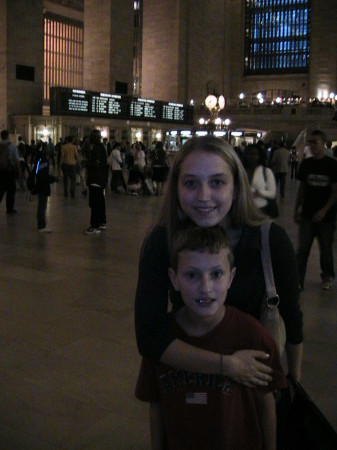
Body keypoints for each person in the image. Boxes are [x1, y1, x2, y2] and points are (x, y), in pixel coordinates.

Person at [135, 135, 303, 390]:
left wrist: (294, 384)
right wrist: (227, 365)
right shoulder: (163, 240)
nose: (204, 196)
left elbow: (291, 317)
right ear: (177, 187)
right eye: (191, 182)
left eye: (217, 182)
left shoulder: (271, 240)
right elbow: (149, 336)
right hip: (191, 378)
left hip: (256, 384)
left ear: (235, 187)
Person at [135, 225, 287, 450]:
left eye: (216, 274)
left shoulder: (254, 337)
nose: (205, 288)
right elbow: (156, 403)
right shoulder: (162, 340)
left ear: (231, 277)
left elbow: (266, 402)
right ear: (174, 279)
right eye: (192, 275)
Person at [294, 130, 337, 291]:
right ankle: (298, 280)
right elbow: (301, 188)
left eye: (315, 142)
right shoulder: (306, 164)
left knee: (325, 248)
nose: (311, 145)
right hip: (307, 213)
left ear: (324, 144)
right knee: (303, 249)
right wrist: (296, 208)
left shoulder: (332, 165)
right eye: (310, 142)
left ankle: (327, 275)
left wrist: (324, 210)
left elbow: (335, 191)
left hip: (326, 217)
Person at [242, 143, 277, 217]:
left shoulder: (266, 171)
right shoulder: (241, 171)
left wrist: (259, 193)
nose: (252, 156)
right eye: (249, 154)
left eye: (255, 154)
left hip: (261, 209)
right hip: (243, 209)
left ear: (260, 156)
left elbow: (272, 194)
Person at [84, 129, 108, 234]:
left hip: (95, 179)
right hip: (101, 180)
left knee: (95, 203)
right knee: (101, 202)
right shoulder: (101, 147)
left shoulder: (97, 148)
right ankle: (102, 222)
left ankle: (94, 226)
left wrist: (86, 163)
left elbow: (95, 163)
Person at [33, 142, 58, 232]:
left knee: (41, 205)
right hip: (42, 186)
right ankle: (41, 225)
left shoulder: (39, 159)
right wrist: (52, 179)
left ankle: (41, 224)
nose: (48, 150)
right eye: (46, 148)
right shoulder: (43, 161)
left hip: (40, 185)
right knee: (42, 206)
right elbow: (42, 174)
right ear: (43, 150)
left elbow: (39, 172)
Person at [0, 129, 21, 214]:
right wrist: (19, 171)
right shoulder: (12, 147)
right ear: (8, 136)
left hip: (0, 171)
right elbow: (16, 160)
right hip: (9, 171)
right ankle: (10, 209)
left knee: (0, 189)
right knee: (11, 191)